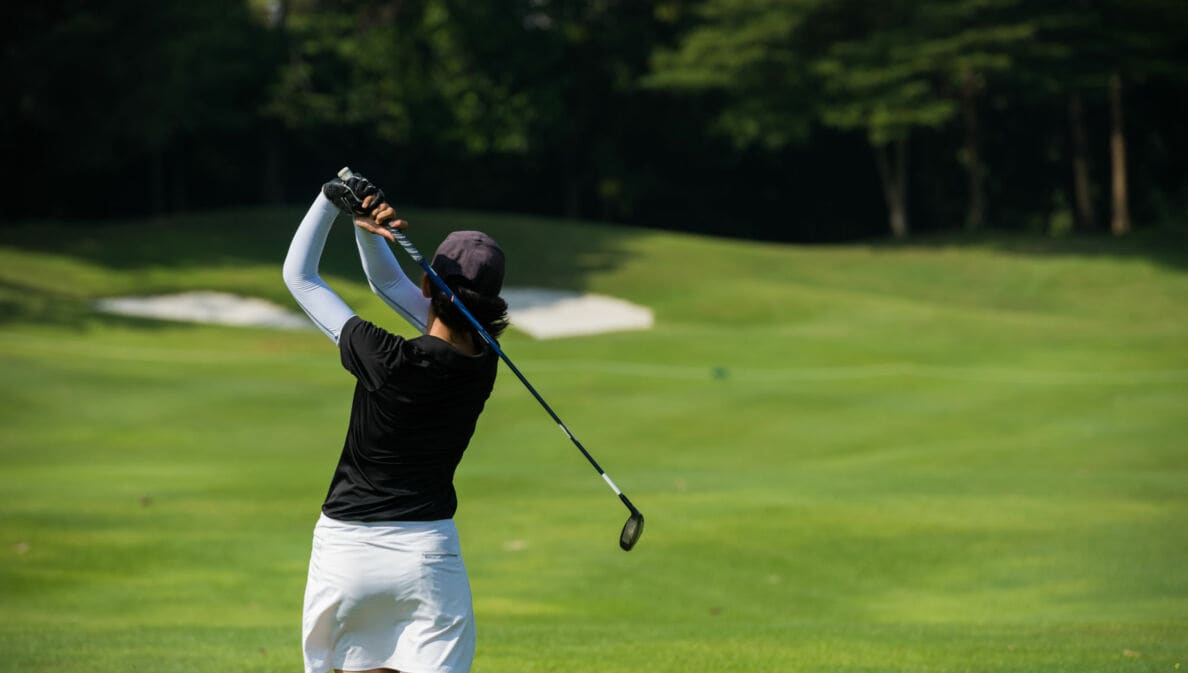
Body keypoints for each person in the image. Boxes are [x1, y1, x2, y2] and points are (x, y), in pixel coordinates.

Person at [282, 171, 509, 673]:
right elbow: (393, 288)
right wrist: (366, 228)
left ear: (428, 283)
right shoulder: (486, 359)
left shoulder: (385, 356)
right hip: (427, 558)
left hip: (346, 553)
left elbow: (301, 278)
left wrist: (329, 201)